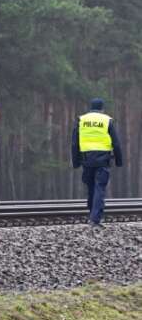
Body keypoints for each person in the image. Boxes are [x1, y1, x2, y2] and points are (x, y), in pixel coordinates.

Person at [72, 98, 123, 228]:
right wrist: (118, 160)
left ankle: (92, 215)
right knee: (99, 188)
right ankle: (95, 219)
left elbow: (74, 143)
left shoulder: (81, 120)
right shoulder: (107, 120)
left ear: (91, 107)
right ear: (102, 108)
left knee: (90, 188)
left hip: (86, 160)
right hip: (102, 160)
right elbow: (116, 143)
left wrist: (75, 161)